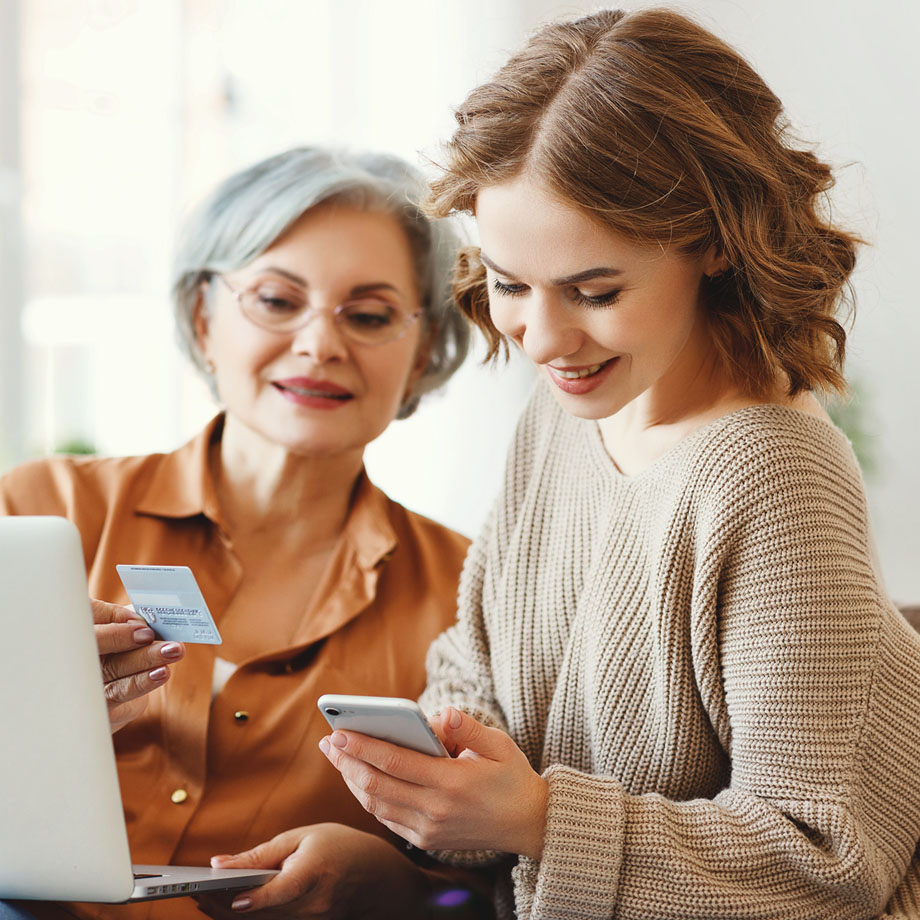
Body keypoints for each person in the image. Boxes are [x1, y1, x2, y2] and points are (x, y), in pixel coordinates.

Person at [223, 9, 920, 919]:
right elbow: (475, 666)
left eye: (595, 291)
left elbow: (827, 861)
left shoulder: (774, 476)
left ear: (714, 241)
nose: (543, 338)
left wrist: (544, 822)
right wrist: (418, 819)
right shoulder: (568, 416)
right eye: (510, 283)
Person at [0, 147, 486, 919]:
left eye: (367, 315)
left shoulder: (470, 596)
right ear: (203, 317)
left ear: (424, 349)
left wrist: (386, 881)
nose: (320, 344)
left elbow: (484, 881)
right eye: (275, 300)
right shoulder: (35, 511)